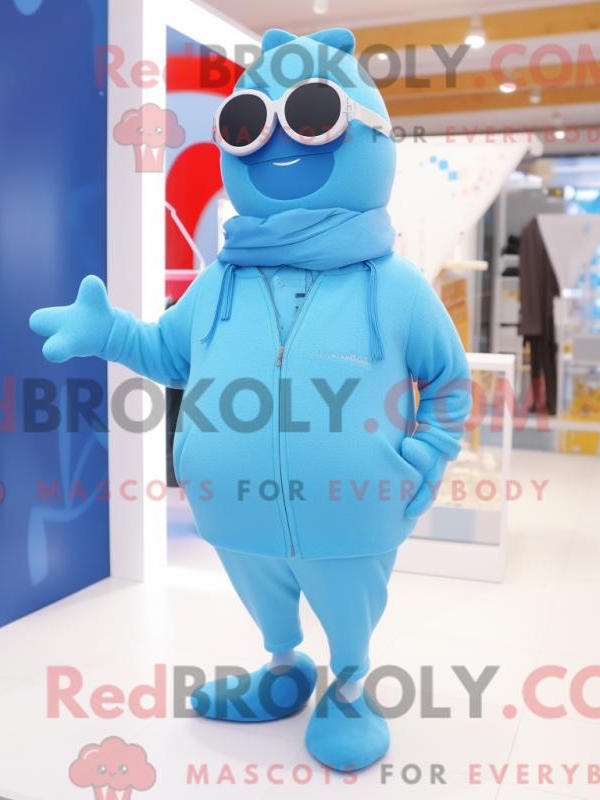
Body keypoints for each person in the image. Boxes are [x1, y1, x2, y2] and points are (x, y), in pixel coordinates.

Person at [30, 27, 471, 772]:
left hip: (354, 512)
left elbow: (450, 381)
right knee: (265, 596)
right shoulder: (221, 279)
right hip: (234, 513)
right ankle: (282, 668)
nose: (275, 143)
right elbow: (169, 354)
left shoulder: (393, 285)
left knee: (347, 607)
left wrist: (422, 464)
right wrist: (110, 334)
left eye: (312, 115)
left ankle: (350, 684)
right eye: (246, 124)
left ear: (367, 133)